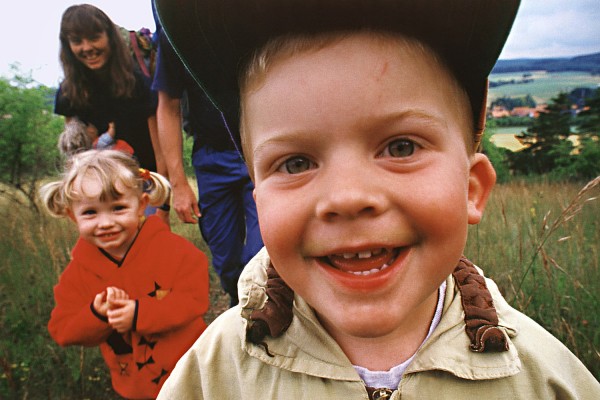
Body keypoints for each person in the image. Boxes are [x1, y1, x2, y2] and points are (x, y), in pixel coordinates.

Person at [153, 0, 600, 398]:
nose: (347, 198)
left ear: (471, 188)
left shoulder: (544, 381)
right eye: (295, 163)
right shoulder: (215, 376)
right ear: (258, 196)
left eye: (401, 147)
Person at [39, 149, 209, 399]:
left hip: (191, 375)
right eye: (90, 212)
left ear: (141, 204)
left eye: (118, 208)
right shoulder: (78, 273)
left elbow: (195, 301)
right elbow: (62, 330)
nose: (105, 222)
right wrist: (97, 314)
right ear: (72, 215)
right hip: (135, 387)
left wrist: (140, 313)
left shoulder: (173, 251)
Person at [152, 29, 263, 306]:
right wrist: (178, 184)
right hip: (211, 156)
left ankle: (270, 314)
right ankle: (239, 308)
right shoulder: (178, 26)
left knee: (262, 253)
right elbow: (168, 105)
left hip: (259, 148)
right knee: (226, 262)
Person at [55, 4, 168, 218]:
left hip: (144, 183)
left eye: (94, 37)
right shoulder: (68, 93)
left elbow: (160, 152)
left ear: (110, 37)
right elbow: (74, 155)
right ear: (68, 46)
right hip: (98, 190)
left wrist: (162, 205)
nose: (87, 48)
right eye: (77, 41)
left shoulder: (138, 85)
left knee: (151, 247)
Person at [58, 118, 134, 157]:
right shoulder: (99, 143)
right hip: (126, 154)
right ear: (90, 130)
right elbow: (110, 134)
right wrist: (112, 125)